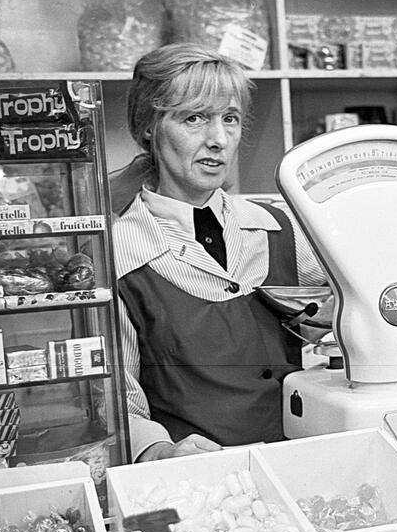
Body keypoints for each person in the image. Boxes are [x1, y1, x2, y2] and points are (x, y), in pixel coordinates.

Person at [111, 44, 326, 462]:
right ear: (150, 127)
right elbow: (119, 398)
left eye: (230, 119)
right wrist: (158, 450)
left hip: (301, 463)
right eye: (194, 118)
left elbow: (357, 311)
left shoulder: (282, 227)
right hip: (194, 481)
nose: (219, 140)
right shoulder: (120, 252)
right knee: (154, 531)